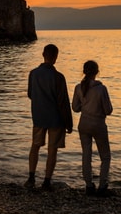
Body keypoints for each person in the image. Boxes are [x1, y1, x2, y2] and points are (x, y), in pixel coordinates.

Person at [26, 44, 73, 191]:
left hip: (39, 116)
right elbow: (63, 102)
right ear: (56, 57)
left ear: (43, 54)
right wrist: (69, 123)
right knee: (52, 150)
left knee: (35, 146)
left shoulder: (33, 73)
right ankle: (47, 181)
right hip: (56, 119)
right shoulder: (58, 77)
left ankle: (31, 177)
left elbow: (30, 94)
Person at [72, 60, 113, 196]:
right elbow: (108, 110)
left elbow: (75, 108)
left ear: (84, 72)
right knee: (105, 156)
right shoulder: (101, 89)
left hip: (83, 124)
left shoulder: (79, 87)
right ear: (97, 72)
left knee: (86, 154)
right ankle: (102, 186)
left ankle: (89, 185)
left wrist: (85, 105)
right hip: (98, 124)